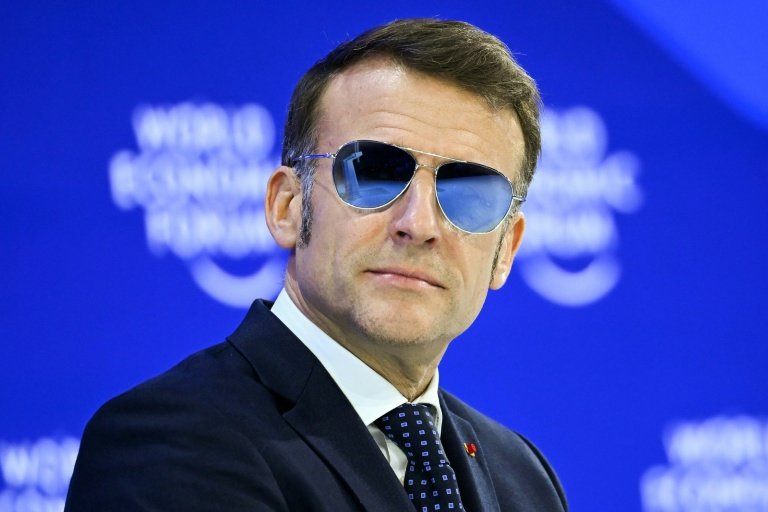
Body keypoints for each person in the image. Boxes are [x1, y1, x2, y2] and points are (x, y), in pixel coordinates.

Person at [65, 18, 568, 511]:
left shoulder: (523, 479)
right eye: (374, 172)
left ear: (506, 249)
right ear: (288, 206)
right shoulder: (171, 444)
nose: (419, 224)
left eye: (469, 193)